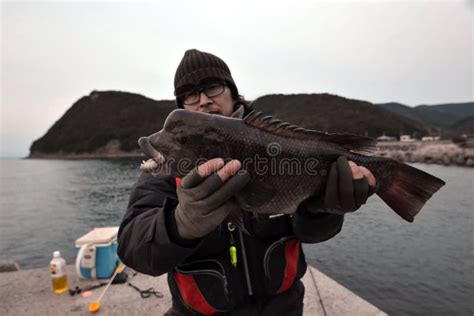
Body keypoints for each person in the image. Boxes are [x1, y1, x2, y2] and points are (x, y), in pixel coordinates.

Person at [117, 49, 377, 315]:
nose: (204, 101)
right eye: (190, 94)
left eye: (213, 87)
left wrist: (322, 211)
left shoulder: (279, 148)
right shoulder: (167, 169)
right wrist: (179, 224)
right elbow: (132, 248)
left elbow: (311, 234)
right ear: (182, 107)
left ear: (232, 91)